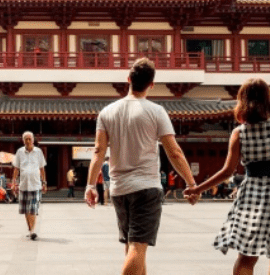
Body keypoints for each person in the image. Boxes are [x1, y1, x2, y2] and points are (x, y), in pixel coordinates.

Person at [185, 78, 270, 274]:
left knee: (245, 258)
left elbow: (227, 171)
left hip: (251, 197)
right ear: (267, 100)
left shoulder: (239, 133)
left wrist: (197, 189)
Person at [84, 58, 197, 275]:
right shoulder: (156, 111)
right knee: (137, 247)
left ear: (128, 80)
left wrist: (90, 185)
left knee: (132, 246)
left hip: (119, 190)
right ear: (152, 84)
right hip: (146, 188)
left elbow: (98, 151)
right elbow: (174, 152)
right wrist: (191, 183)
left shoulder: (107, 112)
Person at [12, 131, 47, 240]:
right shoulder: (19, 152)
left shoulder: (38, 152)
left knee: (33, 209)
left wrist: (44, 182)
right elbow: (16, 168)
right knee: (26, 210)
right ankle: (30, 229)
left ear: (33, 140)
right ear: (23, 141)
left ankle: (32, 231)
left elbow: (42, 168)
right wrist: (14, 182)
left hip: (35, 184)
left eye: (29, 139)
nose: (28, 141)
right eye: (26, 139)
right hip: (23, 185)